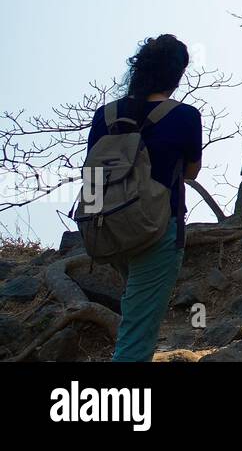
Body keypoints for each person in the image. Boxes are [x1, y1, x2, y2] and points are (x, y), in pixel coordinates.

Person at [86, 34, 202, 362]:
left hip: (110, 229)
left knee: (135, 309)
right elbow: (191, 171)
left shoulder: (105, 116)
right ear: (176, 75)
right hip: (157, 231)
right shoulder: (185, 116)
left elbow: (92, 173)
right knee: (136, 333)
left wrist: (95, 227)